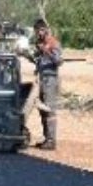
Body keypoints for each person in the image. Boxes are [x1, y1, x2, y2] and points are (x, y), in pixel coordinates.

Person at [20, 19, 63, 150]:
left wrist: (46, 50)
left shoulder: (53, 43)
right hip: (42, 79)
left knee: (49, 110)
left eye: (38, 31)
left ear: (44, 30)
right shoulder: (41, 43)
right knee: (42, 109)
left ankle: (51, 140)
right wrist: (27, 55)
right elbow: (37, 60)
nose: (37, 34)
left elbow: (59, 61)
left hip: (51, 79)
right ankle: (46, 138)